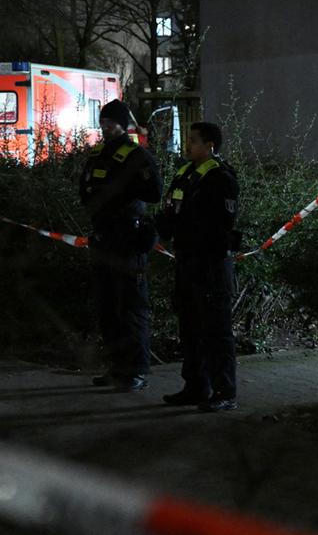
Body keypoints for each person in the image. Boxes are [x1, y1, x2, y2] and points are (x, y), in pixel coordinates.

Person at [156, 122, 240, 411]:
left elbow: (221, 224)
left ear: (210, 146)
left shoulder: (220, 178)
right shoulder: (184, 174)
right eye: (188, 140)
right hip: (187, 262)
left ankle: (225, 392)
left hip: (211, 265)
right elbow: (169, 211)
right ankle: (195, 386)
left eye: (194, 140)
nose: (188, 145)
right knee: (189, 327)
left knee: (216, 330)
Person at [79, 99, 162, 391]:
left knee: (131, 307)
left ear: (123, 124)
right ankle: (116, 367)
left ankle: (136, 370)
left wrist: (123, 191)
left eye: (110, 122)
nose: (105, 128)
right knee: (108, 308)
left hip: (128, 239)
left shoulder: (136, 156)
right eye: (103, 122)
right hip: (103, 238)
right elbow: (85, 190)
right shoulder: (97, 154)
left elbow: (154, 192)